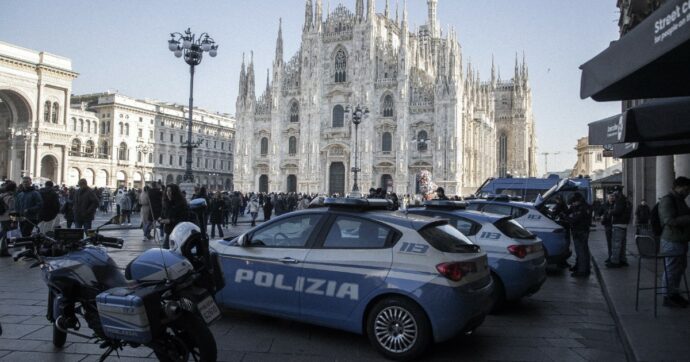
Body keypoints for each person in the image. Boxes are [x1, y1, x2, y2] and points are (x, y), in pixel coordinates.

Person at [658, 176, 690, 308]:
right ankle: (668, 296)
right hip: (672, 240)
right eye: (686, 189)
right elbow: (669, 221)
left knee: (679, 268)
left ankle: (674, 293)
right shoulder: (668, 200)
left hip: (680, 239)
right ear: (679, 187)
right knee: (671, 269)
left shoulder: (679, 200)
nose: (688, 192)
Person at [562, 192, 591, 278]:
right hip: (581, 231)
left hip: (580, 232)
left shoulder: (582, 208)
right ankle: (582, 267)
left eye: (574, 202)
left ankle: (582, 271)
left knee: (581, 251)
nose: (573, 204)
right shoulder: (580, 206)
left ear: (579, 200)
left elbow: (574, 220)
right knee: (583, 251)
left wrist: (565, 217)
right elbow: (569, 211)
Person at [607, 188, 632, 268]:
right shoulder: (626, 200)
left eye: (614, 192)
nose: (613, 194)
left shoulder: (620, 200)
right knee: (622, 244)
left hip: (618, 224)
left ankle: (615, 261)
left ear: (618, 192)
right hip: (624, 224)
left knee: (616, 244)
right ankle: (622, 260)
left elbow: (617, 211)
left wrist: (610, 211)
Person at [160, 184, 190, 249]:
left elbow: (184, 218)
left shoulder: (181, 203)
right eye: (167, 191)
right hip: (169, 231)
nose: (168, 193)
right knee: (166, 249)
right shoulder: (166, 202)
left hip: (178, 232)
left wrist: (170, 220)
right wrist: (160, 219)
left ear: (175, 192)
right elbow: (163, 214)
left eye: (170, 191)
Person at [0, 181, 17, 256]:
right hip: (7, 218)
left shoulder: (1, 195)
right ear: (13, 189)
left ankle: (3, 249)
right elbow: (12, 210)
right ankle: (4, 250)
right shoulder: (10, 198)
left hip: (1, 217)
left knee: (4, 233)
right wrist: (14, 221)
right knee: (6, 235)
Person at [601, 194, 616, 263]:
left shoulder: (616, 204)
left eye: (612, 197)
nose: (611, 198)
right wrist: (602, 216)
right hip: (607, 225)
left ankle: (615, 257)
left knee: (615, 242)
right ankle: (610, 256)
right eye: (610, 197)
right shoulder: (605, 205)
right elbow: (600, 212)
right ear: (608, 197)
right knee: (609, 242)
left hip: (615, 225)